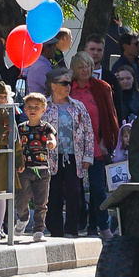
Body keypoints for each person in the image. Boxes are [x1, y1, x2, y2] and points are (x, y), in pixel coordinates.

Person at [68, 51, 120, 235]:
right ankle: (83, 223)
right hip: (73, 147)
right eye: (81, 67)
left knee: (98, 188)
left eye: (88, 66)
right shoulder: (68, 88)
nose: (85, 70)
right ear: (74, 69)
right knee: (76, 189)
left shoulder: (101, 87)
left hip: (97, 145)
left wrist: (106, 141)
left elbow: (109, 116)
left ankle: (102, 226)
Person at [41, 72, 94, 238]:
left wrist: (88, 156)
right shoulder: (44, 106)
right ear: (53, 85)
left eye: (69, 83)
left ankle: (72, 229)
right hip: (51, 157)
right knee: (53, 193)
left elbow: (88, 132)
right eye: (64, 83)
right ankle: (55, 230)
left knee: (74, 193)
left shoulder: (78, 106)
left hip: (74, 156)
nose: (68, 86)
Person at [14, 90, 55, 238]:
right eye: (29, 107)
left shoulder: (46, 127)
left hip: (42, 169)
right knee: (22, 198)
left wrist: (51, 142)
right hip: (24, 169)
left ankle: (39, 229)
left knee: (41, 202)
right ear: (24, 109)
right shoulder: (21, 128)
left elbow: (52, 138)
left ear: (43, 110)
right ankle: (23, 218)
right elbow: (17, 147)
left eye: (37, 107)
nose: (33, 110)